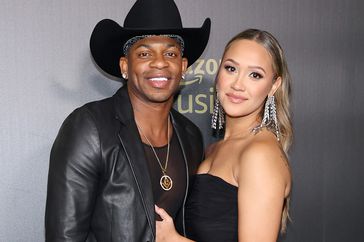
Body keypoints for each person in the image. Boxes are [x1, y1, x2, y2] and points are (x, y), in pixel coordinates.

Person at [44, 0, 211, 241]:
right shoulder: (90, 127)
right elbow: (64, 236)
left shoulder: (191, 136)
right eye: (144, 53)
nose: (160, 62)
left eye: (170, 52)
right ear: (125, 65)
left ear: (182, 66)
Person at [155, 28, 293, 242]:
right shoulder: (214, 147)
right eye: (230, 68)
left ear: (274, 85)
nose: (238, 84)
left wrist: (173, 240)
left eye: (255, 75)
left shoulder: (260, 154)